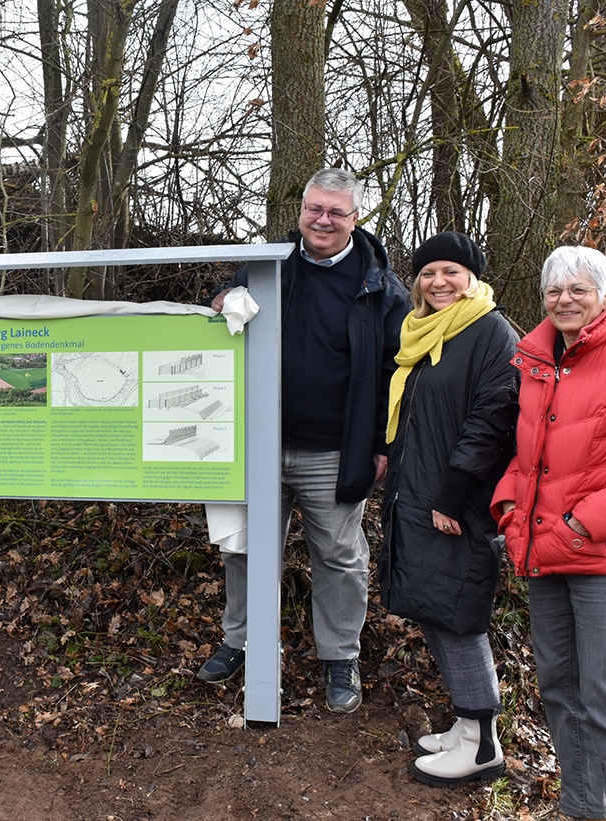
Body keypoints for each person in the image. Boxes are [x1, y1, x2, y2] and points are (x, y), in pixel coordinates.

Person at [198, 168, 410, 714]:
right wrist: (225, 296)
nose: (323, 220)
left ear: (355, 218)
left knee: (339, 556)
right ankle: (239, 640)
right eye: (315, 208)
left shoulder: (381, 288)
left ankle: (340, 657)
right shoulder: (272, 264)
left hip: (336, 451)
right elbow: (228, 297)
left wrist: (384, 445)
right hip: (259, 445)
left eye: (336, 212)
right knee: (245, 550)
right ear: (302, 211)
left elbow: (399, 373)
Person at [492, 246, 606, 821]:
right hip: (545, 551)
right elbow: (531, 458)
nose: (564, 300)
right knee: (559, 689)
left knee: (604, 696)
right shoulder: (535, 362)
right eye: (554, 290)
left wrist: (584, 523)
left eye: (579, 290)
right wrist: (507, 506)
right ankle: (583, 808)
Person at [378, 232, 518, 786]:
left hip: (456, 500)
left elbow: (493, 418)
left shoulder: (489, 332)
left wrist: (453, 495)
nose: (439, 283)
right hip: (418, 493)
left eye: (451, 273)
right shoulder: (420, 333)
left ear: (472, 279)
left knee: (458, 612)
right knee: (434, 604)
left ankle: (483, 743)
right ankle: (465, 723)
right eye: (429, 272)